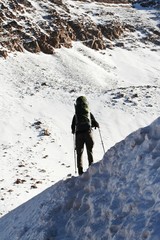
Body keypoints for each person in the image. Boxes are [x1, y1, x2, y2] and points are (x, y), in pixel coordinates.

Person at [71, 96, 99, 175]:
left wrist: (74, 130)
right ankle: (91, 167)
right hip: (88, 132)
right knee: (89, 151)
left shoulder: (76, 115)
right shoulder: (88, 113)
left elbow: (72, 127)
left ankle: (80, 171)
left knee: (79, 153)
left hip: (79, 134)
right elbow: (95, 123)